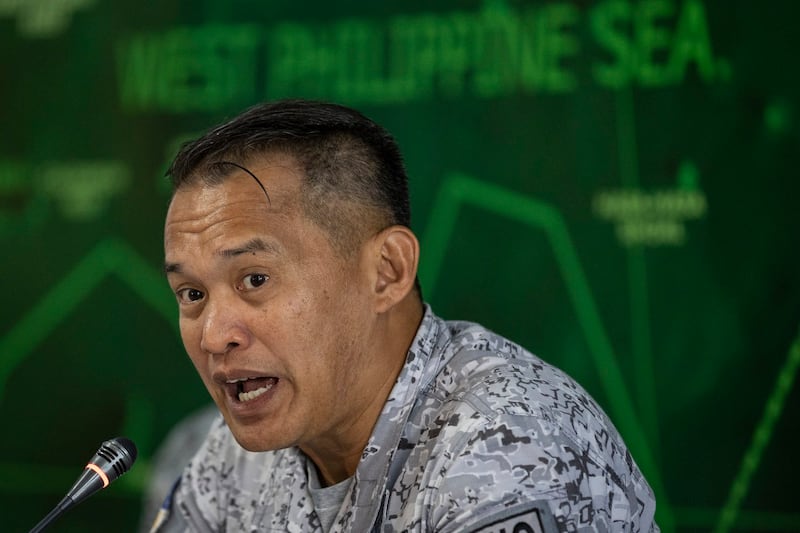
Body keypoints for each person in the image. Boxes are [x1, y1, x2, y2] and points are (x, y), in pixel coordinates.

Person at [159, 99, 659, 532]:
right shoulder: (231, 460)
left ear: (387, 271)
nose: (214, 336)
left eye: (255, 280)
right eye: (191, 293)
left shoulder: (506, 442)